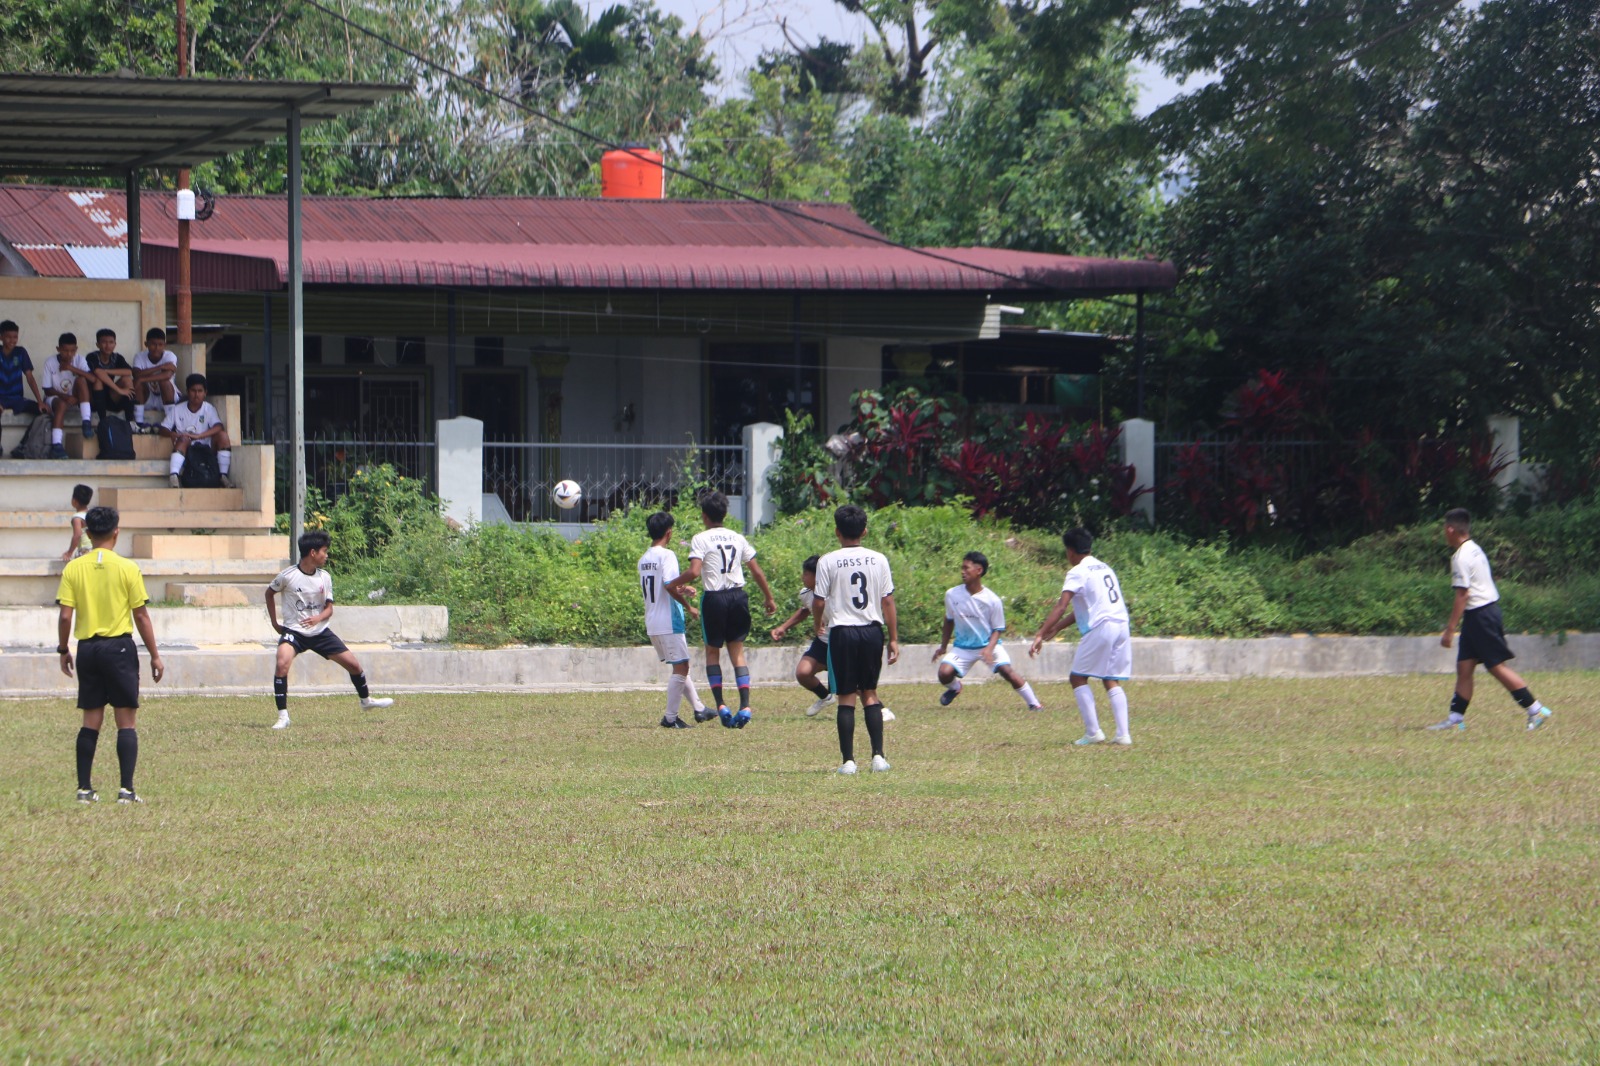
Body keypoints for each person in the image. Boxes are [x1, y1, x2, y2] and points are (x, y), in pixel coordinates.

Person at [55, 505, 165, 803]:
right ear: (117, 532)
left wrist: (64, 648)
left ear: (87, 534)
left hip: (88, 649)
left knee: (90, 719)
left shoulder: (74, 568)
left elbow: (66, 616)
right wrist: (155, 655)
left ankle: (84, 789)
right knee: (125, 721)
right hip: (119, 648)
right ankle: (126, 790)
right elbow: (141, 616)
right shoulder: (128, 568)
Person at [1430, 508, 1552, 732]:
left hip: (1481, 615)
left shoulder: (1460, 557)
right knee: (1464, 667)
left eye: (1443, 530)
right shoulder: (1474, 548)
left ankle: (1535, 709)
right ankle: (1456, 719)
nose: (1443, 534)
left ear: (1450, 529)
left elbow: (1462, 595)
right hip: (1481, 614)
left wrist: (1449, 630)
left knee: (1496, 667)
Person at [665, 490, 776, 729]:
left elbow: (694, 572)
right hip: (738, 596)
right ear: (726, 513)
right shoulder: (737, 537)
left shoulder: (701, 539)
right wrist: (769, 597)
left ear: (704, 516)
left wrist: (674, 583)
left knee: (713, 653)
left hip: (715, 598)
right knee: (737, 653)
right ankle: (745, 706)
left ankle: (722, 704)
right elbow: (756, 570)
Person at [266, 529, 394, 730]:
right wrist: (275, 623)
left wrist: (318, 618)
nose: (327, 555)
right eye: (324, 551)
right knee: (282, 663)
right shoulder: (288, 576)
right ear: (313, 552)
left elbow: (329, 609)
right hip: (294, 632)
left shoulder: (324, 577)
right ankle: (283, 716)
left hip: (320, 632)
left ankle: (366, 700)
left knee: (354, 666)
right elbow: (269, 593)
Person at [812, 504, 899, 774]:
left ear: (837, 532)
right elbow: (887, 601)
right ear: (865, 530)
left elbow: (818, 601)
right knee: (870, 693)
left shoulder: (828, 560)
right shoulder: (878, 559)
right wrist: (893, 639)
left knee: (846, 696)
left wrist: (818, 624)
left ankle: (848, 762)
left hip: (843, 632)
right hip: (872, 631)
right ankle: (878, 757)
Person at [1030, 528, 1133, 747]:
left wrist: (1040, 633)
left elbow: (1061, 605)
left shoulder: (1078, 571)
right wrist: (1057, 628)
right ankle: (1123, 735)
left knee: (1077, 677)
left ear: (1069, 551)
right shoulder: (1104, 567)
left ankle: (1093, 732)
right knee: (1110, 678)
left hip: (1102, 627)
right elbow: (1084, 608)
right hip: (1121, 624)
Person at [771, 556, 897, 723]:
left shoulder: (837, 593)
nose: (803, 577)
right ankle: (826, 697)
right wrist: (783, 627)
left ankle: (881, 709)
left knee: (854, 684)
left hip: (841, 642)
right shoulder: (806, 593)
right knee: (803, 673)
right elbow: (806, 610)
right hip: (823, 642)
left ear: (818, 576)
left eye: (806, 574)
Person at [933, 551, 1044, 712]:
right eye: (962, 568)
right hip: (963, 647)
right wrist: (943, 646)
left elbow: (998, 629)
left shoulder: (992, 600)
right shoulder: (952, 594)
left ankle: (1034, 704)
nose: (962, 572)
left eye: (967, 568)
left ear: (979, 571)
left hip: (988, 644)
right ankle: (955, 688)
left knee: (1007, 671)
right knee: (944, 674)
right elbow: (949, 620)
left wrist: (989, 649)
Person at [638, 510, 712, 728]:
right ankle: (670, 718)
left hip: (653, 621)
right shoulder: (667, 555)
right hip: (669, 621)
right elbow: (669, 587)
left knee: (680, 666)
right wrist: (688, 606)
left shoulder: (644, 558)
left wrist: (682, 588)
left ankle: (699, 709)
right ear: (669, 533)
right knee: (682, 667)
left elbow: (664, 585)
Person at [157, 374, 233, 488]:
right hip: (186, 449)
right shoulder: (177, 409)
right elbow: (162, 428)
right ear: (188, 391)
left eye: (200, 391)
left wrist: (200, 436)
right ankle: (173, 477)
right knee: (183, 439)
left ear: (205, 393)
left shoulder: (209, 408)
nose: (196, 395)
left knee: (223, 436)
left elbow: (219, 427)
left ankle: (223, 476)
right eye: (193, 391)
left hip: (206, 449)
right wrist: (172, 434)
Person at [38, 333, 93, 458]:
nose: (69, 354)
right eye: (65, 350)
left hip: (75, 398)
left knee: (81, 380)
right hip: (56, 398)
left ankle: (86, 421)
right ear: (58, 349)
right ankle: (56, 445)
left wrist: (72, 368)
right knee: (61, 405)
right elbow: (47, 389)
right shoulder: (50, 362)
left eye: (72, 351)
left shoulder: (79, 359)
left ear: (76, 350)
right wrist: (65, 397)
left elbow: (93, 379)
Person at [85, 328, 136, 424]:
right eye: (104, 342)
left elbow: (129, 371)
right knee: (98, 380)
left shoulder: (117, 357)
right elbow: (98, 372)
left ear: (115, 344)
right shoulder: (92, 356)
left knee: (127, 379)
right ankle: (103, 421)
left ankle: (131, 422)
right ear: (97, 344)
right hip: (94, 399)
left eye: (111, 342)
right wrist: (119, 390)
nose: (108, 346)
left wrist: (106, 371)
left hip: (111, 397)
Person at [131, 327, 177, 430]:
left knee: (164, 382)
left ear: (164, 345)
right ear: (146, 344)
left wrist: (143, 378)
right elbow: (136, 374)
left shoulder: (170, 355)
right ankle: (139, 423)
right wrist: (160, 367)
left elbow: (167, 375)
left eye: (160, 344)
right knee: (137, 383)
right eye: (153, 344)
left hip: (166, 396)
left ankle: (171, 423)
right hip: (147, 396)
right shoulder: (139, 356)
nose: (157, 348)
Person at [0, 319, 43, 428]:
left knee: (43, 412)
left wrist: (40, 401)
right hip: (1, 398)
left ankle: (25, 443)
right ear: (1, 337)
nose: (12, 340)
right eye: (8, 337)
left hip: (17, 399)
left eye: (15, 337)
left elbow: (30, 378)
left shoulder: (21, 352)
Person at [61, 484, 92, 563]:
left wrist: (69, 552)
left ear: (74, 501)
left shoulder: (77, 518)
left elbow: (77, 535)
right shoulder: (91, 513)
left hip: (84, 550)